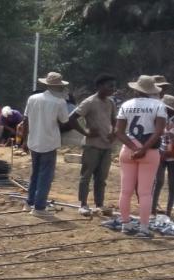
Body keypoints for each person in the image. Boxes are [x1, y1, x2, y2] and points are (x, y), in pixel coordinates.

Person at [103, 76, 167, 237]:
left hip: (128, 150)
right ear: (152, 90)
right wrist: (143, 148)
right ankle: (144, 228)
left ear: (136, 89)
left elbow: (118, 131)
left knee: (125, 191)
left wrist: (133, 147)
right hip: (150, 151)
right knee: (145, 192)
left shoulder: (126, 105)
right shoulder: (158, 106)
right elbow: (159, 131)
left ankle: (126, 224)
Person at [19, 72, 71, 217]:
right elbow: (65, 121)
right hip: (49, 143)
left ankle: (29, 203)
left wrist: (23, 140)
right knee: (45, 176)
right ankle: (39, 207)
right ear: (59, 86)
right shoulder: (59, 102)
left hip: (33, 141)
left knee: (35, 174)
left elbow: (25, 120)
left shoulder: (32, 98)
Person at [68, 74, 117, 217]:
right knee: (86, 176)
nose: (112, 89)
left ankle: (99, 204)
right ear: (99, 86)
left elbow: (115, 120)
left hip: (106, 146)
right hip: (92, 146)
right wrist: (86, 132)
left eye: (113, 86)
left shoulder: (111, 103)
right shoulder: (89, 102)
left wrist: (113, 133)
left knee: (101, 178)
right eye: (109, 86)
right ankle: (83, 204)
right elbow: (72, 118)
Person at [153, 95, 174, 216]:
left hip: (171, 155)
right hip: (160, 153)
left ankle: (168, 212)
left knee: (172, 185)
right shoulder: (159, 117)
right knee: (159, 181)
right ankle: (153, 209)